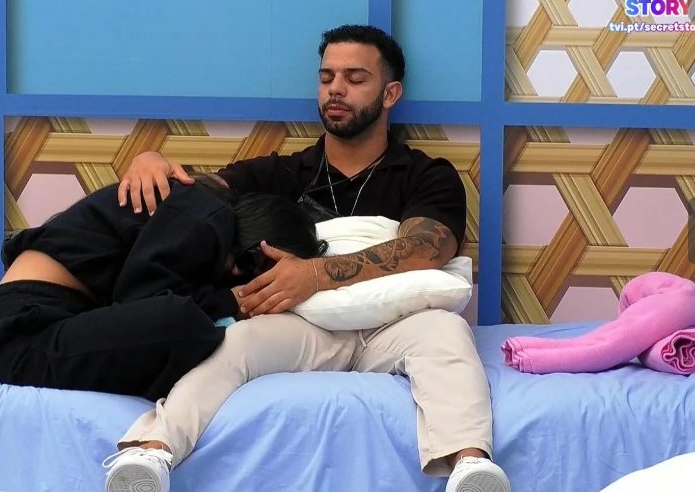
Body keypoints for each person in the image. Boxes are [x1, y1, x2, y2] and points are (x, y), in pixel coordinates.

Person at [104, 25, 511, 492]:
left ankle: (470, 466)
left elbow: (427, 247)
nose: (335, 89)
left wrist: (317, 274)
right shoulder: (283, 172)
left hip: (394, 328)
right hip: (303, 329)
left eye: (355, 78)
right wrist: (153, 161)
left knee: (447, 332)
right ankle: (151, 454)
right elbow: (201, 192)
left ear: (390, 93)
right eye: (326, 77)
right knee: (235, 344)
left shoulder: (425, 174)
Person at [0, 178, 325, 402]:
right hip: (21, 332)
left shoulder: (195, 213)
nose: (240, 275)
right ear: (256, 233)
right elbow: (141, 304)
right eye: (253, 262)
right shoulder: (206, 214)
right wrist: (230, 301)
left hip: (38, 321)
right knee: (188, 326)